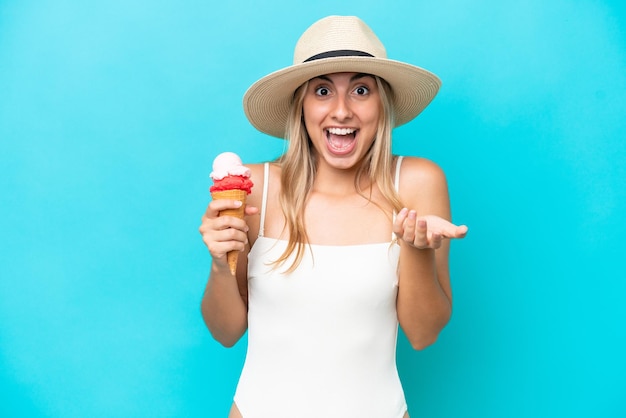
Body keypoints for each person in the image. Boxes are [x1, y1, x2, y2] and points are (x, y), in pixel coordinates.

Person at [199, 15, 468, 418]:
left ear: (382, 104)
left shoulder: (416, 182)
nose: (341, 111)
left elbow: (423, 334)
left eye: (361, 89)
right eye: (322, 90)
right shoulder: (255, 187)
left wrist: (417, 251)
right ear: (301, 106)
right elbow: (225, 333)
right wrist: (221, 264)